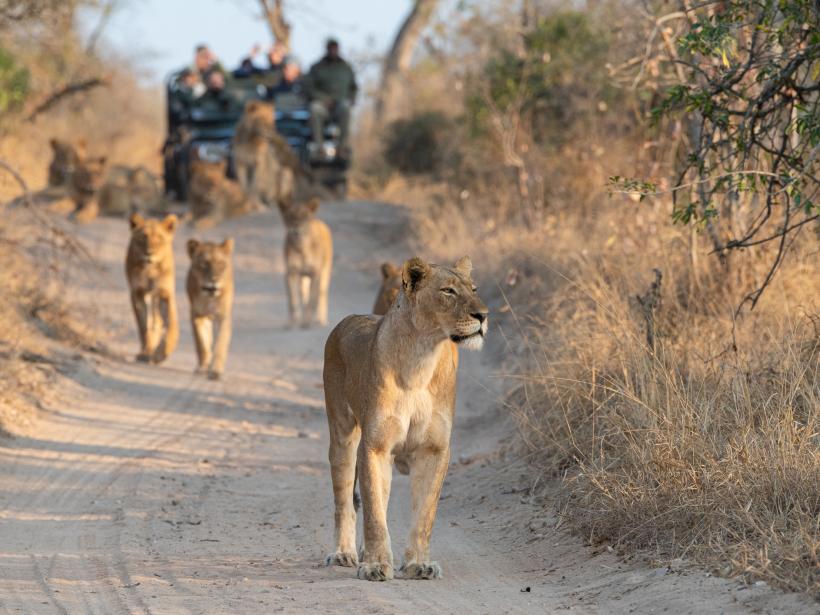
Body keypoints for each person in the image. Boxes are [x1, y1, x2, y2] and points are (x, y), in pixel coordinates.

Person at [305, 38, 357, 156]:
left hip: (340, 104)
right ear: (327, 49)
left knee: (346, 108)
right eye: (331, 48)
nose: (333, 51)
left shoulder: (345, 67)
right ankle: (319, 148)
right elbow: (309, 88)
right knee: (314, 109)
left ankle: (342, 147)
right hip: (322, 105)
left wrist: (352, 99)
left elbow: (353, 87)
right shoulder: (317, 67)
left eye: (335, 48)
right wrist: (323, 99)